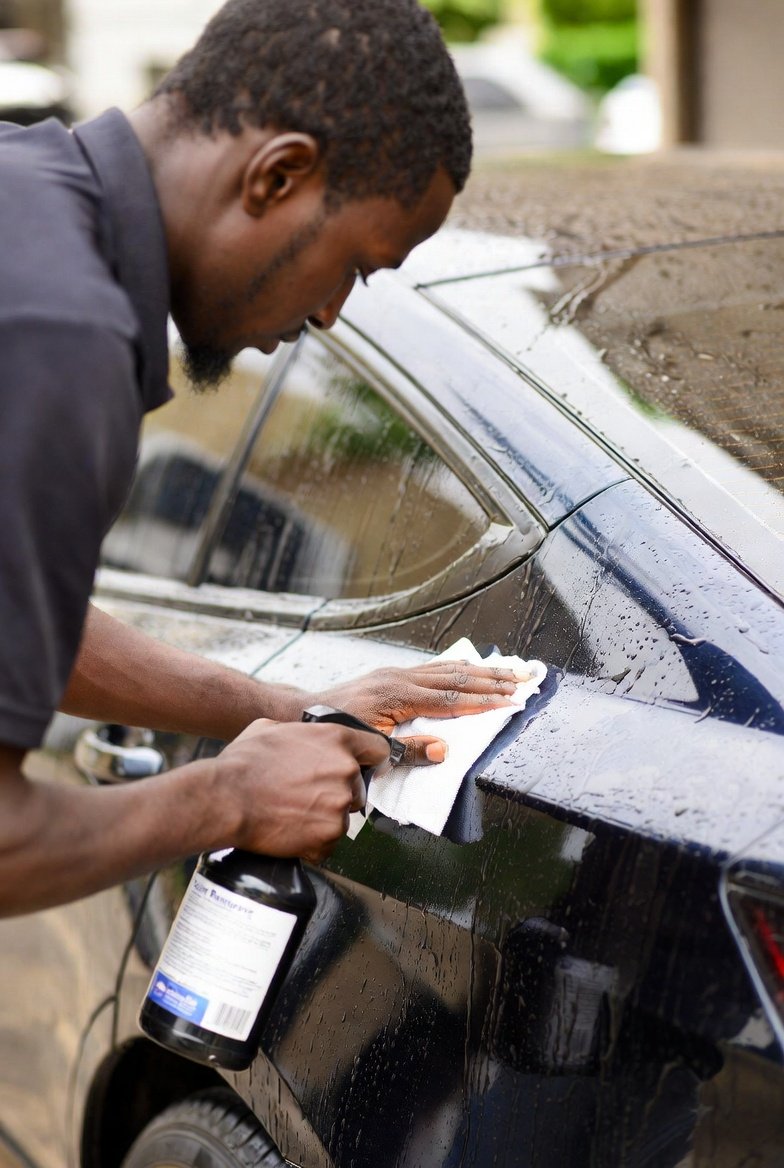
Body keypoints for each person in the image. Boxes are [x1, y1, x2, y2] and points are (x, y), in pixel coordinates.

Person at [0, 0, 525, 917]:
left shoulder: (27, 198)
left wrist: (292, 710)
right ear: (278, 175)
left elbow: (28, 630)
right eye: (356, 267)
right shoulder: (62, 334)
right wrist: (230, 796)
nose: (327, 316)